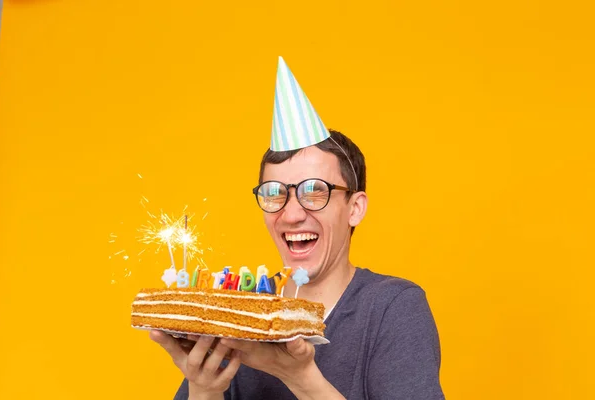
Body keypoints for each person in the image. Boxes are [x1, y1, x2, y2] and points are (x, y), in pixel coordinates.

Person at [149, 58, 445, 400]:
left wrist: (302, 378)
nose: (291, 215)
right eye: (275, 194)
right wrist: (204, 390)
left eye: (314, 191)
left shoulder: (391, 308)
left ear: (355, 208)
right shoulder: (239, 317)